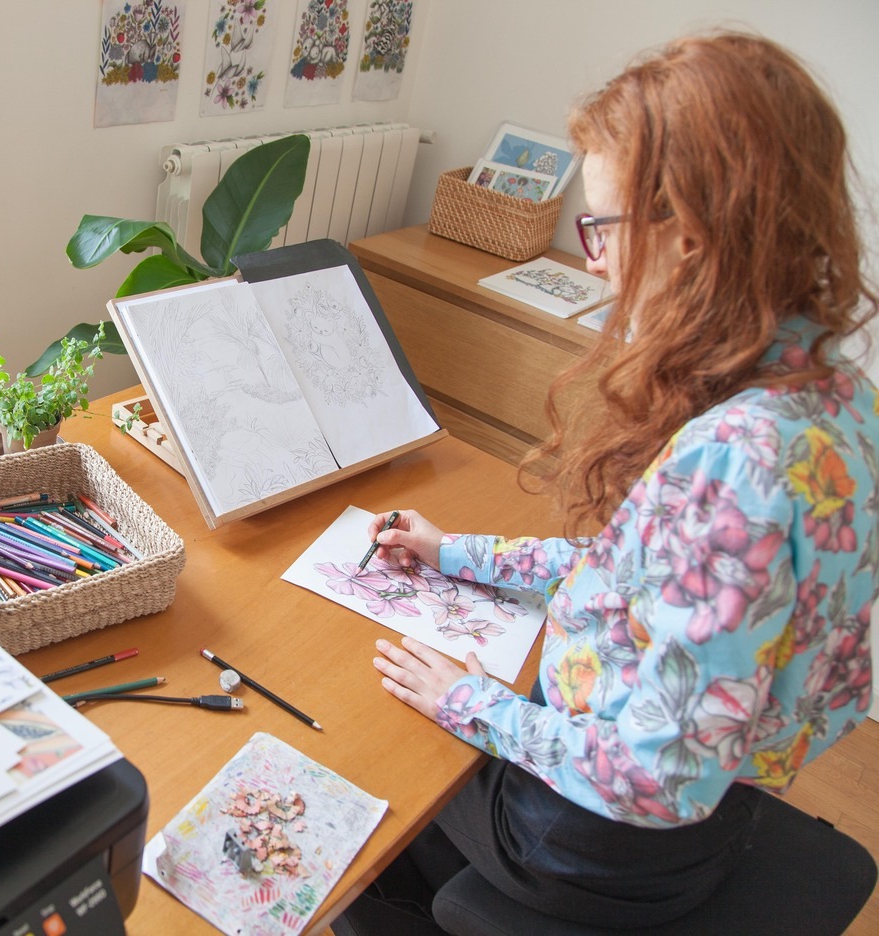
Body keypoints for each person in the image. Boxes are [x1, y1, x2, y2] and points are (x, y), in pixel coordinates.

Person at [339, 31, 878, 934]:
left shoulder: (736, 462)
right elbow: (646, 573)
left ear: (693, 238)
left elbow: (654, 778)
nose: (593, 258)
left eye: (604, 225)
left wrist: (469, 700)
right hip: (712, 816)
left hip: (594, 841)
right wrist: (454, 551)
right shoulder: (835, 393)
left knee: (365, 747)